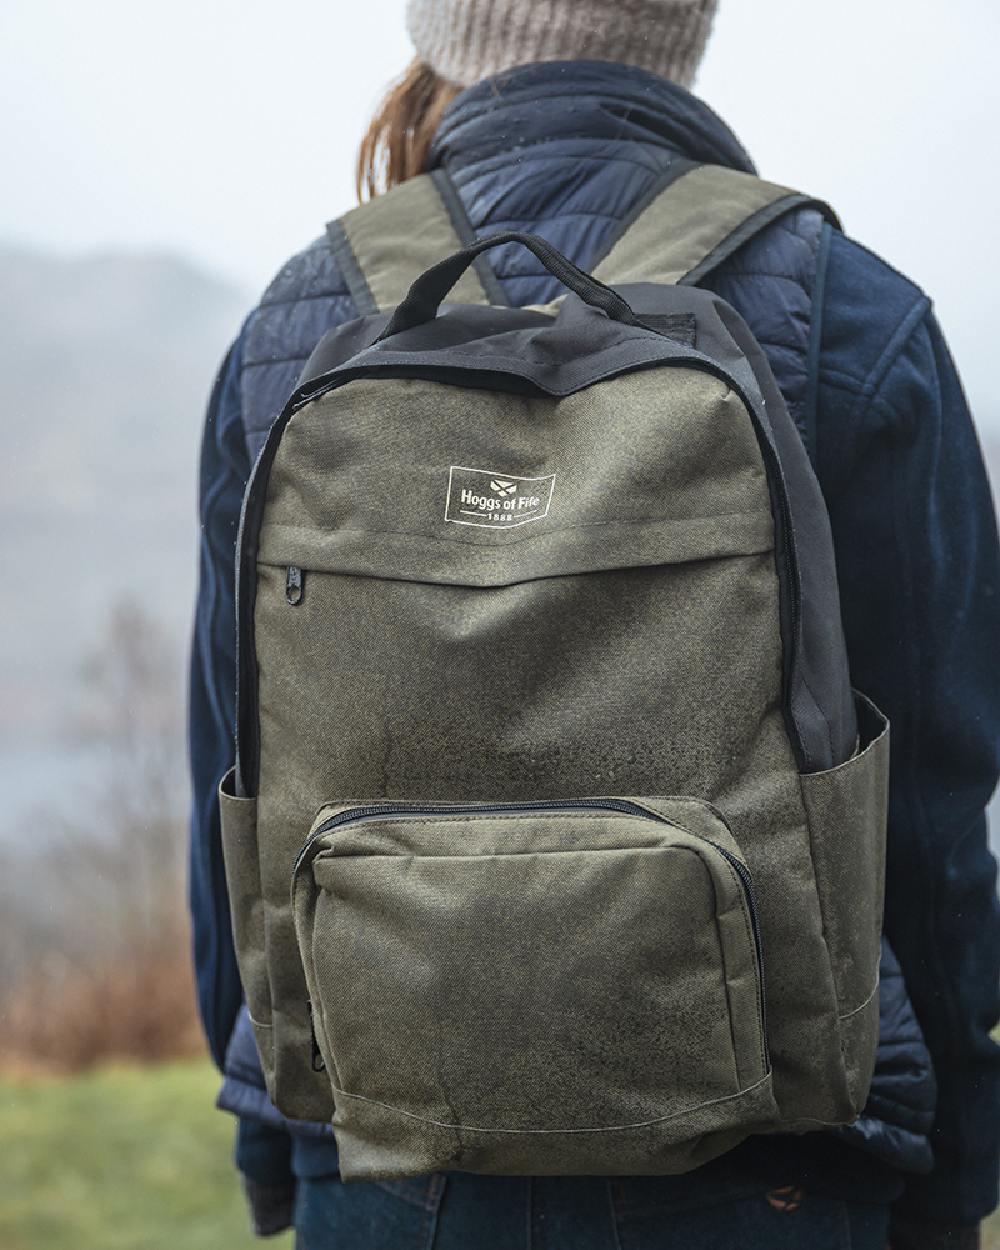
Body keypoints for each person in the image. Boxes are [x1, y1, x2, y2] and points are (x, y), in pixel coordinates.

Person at [188, 2, 1000, 1246]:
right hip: (772, 1167)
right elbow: (935, 812)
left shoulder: (296, 323)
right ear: (682, 30)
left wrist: (272, 1132)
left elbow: (229, 768)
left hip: (379, 1159)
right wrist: (948, 1175)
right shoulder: (847, 312)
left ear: (451, 29)